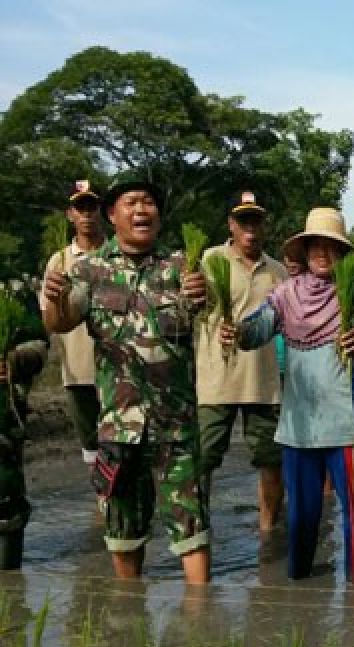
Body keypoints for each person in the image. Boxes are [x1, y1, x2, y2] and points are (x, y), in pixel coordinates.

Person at [42, 175, 212, 584]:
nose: (141, 210)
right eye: (131, 202)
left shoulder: (181, 268)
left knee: (191, 528)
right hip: (119, 427)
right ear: (113, 215)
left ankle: (202, 627)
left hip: (176, 426)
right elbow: (61, 322)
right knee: (123, 533)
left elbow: (211, 317)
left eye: (149, 202)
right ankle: (128, 622)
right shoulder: (89, 270)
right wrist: (55, 297)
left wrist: (204, 294)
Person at [225, 207, 354, 583]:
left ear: (342, 252)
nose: (322, 253)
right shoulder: (285, 295)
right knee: (301, 520)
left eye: (331, 246)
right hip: (298, 426)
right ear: (305, 250)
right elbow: (260, 328)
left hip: (345, 425)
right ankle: (299, 598)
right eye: (315, 245)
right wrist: (239, 333)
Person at [195, 190, 287, 533]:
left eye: (256, 220)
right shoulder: (210, 261)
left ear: (264, 225)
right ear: (231, 224)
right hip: (216, 380)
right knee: (203, 458)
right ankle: (198, 529)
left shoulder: (277, 272)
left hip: (263, 382)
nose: (250, 228)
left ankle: (267, 529)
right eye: (243, 220)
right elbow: (194, 307)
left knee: (271, 460)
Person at [41, 179, 105, 466]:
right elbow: (49, 318)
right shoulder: (59, 261)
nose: (87, 214)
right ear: (71, 214)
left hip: (122, 370)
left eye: (91, 207)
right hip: (79, 371)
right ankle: (101, 507)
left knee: (125, 447)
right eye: (81, 208)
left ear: (101, 211)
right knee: (93, 451)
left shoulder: (115, 255)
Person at [0, 281, 49, 569]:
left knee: (5, 496)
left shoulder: (12, 286)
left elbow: (39, 344)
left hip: (4, 414)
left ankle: (9, 588)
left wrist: (14, 360)